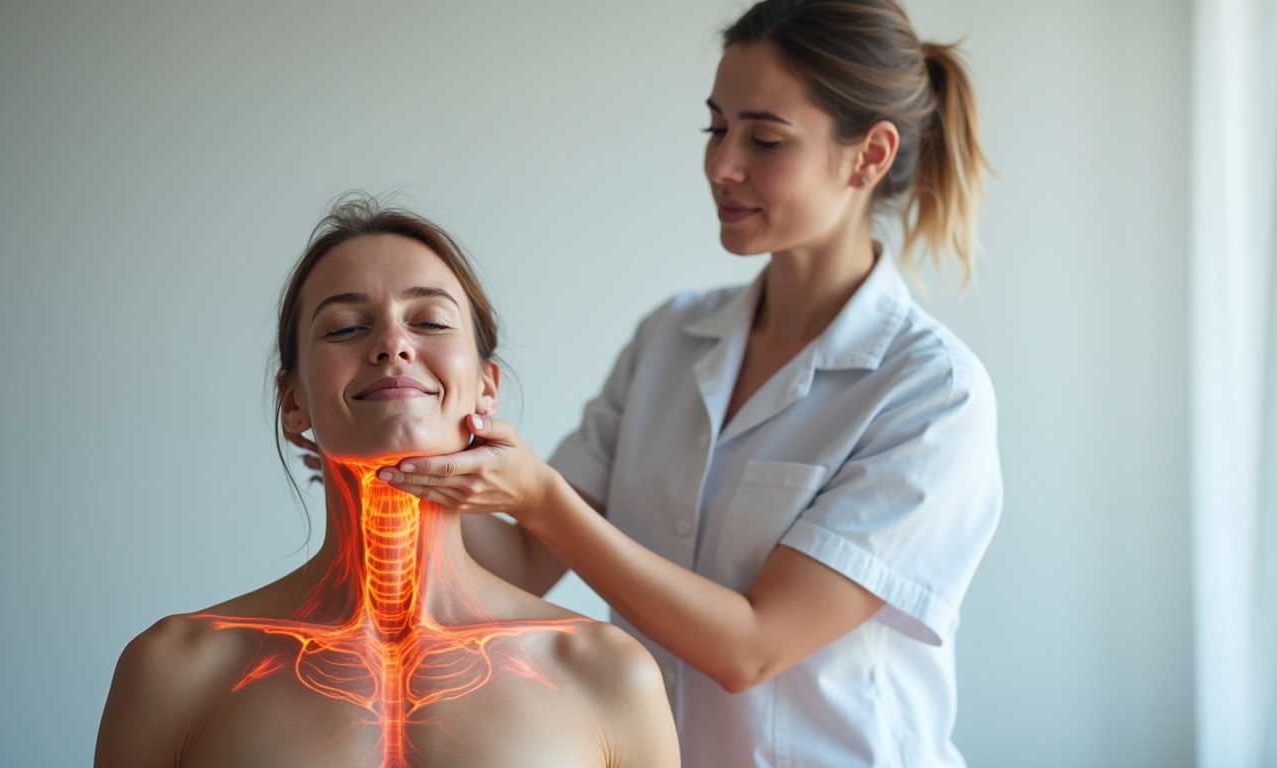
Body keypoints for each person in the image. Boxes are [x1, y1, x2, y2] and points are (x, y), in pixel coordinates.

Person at [375, 1, 1002, 766]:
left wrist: (540, 495)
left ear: (868, 156)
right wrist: (404, 463)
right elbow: (526, 562)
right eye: (716, 128)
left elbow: (752, 649)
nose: (721, 166)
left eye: (764, 139)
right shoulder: (670, 340)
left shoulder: (932, 395)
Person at [94, 199, 681, 768]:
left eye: (429, 321)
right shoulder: (173, 671)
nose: (392, 345)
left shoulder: (607, 673)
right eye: (346, 327)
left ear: (486, 388)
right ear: (293, 402)